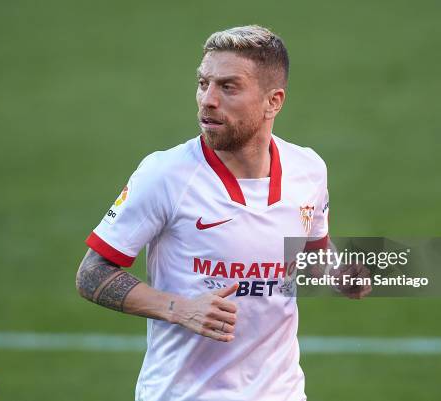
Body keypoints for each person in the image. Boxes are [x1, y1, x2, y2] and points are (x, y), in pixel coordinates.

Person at [76, 25, 370, 401]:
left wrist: (339, 274)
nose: (207, 100)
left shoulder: (308, 170)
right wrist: (179, 309)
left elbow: (313, 257)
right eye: (203, 83)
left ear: (273, 101)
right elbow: (91, 274)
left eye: (228, 87)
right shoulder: (165, 175)